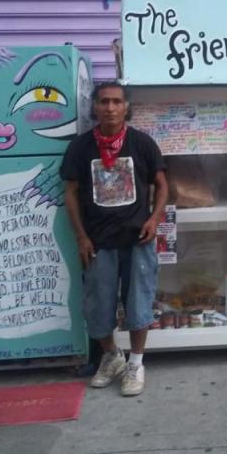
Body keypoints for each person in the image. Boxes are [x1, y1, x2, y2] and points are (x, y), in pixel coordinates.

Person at [61, 81, 168, 396]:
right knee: (97, 306)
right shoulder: (80, 147)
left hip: (138, 240)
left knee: (139, 303)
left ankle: (136, 362)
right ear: (94, 107)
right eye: (104, 102)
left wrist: (154, 219)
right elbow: (70, 193)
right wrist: (81, 237)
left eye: (117, 102)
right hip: (98, 242)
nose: (110, 108)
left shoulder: (142, 143)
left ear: (126, 107)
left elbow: (162, 183)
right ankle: (111, 356)